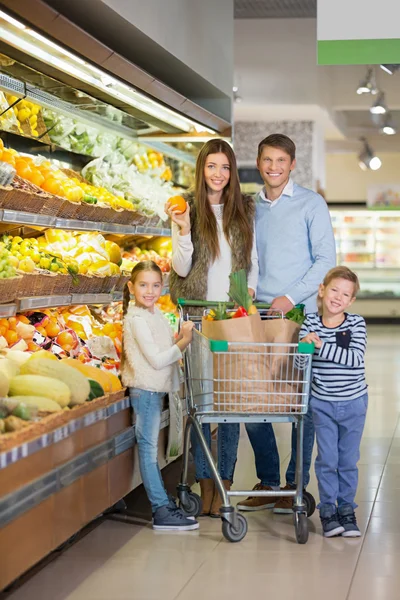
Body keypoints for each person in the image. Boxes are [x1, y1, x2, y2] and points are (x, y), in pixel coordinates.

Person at [237, 133, 336, 513]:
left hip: (301, 315)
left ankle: (295, 483)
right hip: (258, 314)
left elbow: (325, 260)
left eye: (281, 160)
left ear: (292, 164)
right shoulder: (250, 207)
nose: (274, 167)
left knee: (302, 403)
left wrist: (289, 298)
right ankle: (269, 480)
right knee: (249, 397)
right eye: (267, 160)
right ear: (259, 163)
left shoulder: (311, 203)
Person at [166, 139, 258, 518]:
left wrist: (246, 300)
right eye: (211, 166)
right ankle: (205, 485)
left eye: (224, 167)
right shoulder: (185, 207)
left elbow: (252, 263)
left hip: (232, 317)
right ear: (201, 169)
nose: (218, 174)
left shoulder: (243, 210)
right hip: (199, 317)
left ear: (231, 171)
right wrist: (184, 228)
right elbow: (182, 268)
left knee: (231, 408)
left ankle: (225, 486)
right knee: (203, 407)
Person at [121, 260, 199, 531]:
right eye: (143, 285)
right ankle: (160, 509)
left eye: (155, 285)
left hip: (156, 389)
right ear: (131, 287)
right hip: (146, 389)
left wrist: (178, 337)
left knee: (149, 447)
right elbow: (156, 360)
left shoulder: (154, 315)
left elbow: (162, 348)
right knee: (148, 448)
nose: (150, 290)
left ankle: (162, 504)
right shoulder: (137, 319)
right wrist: (183, 343)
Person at [300, 266, 367, 537]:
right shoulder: (310, 324)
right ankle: (328, 510)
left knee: (348, 459)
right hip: (323, 405)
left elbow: (355, 359)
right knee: (327, 459)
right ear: (322, 290)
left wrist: (321, 347)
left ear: (351, 301)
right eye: (334, 290)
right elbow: (300, 365)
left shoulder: (356, 323)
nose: (338, 297)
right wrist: (304, 346)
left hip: (353, 402)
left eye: (345, 294)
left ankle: (347, 509)